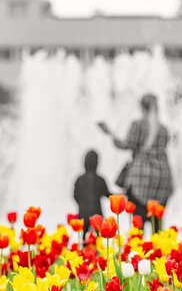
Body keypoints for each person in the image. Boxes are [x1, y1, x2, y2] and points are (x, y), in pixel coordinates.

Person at [99, 93, 173, 230]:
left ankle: (138, 246)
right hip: (163, 180)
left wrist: (109, 132)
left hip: (141, 180)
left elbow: (126, 144)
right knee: (157, 225)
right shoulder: (164, 129)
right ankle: (159, 248)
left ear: (142, 108)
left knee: (137, 223)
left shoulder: (138, 126)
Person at [73, 150, 111, 233]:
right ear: (96, 163)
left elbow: (75, 195)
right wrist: (119, 196)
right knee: (98, 237)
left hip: (83, 213)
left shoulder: (79, 179)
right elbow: (107, 194)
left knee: (84, 237)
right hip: (96, 213)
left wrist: (82, 204)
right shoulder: (100, 180)